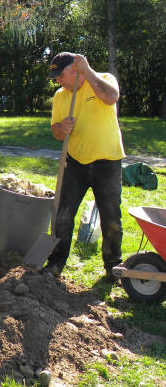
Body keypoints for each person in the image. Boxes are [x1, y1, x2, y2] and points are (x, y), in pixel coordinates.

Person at [44, 52, 125, 281]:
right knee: (63, 215)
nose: (58, 81)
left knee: (111, 218)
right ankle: (56, 263)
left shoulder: (102, 79)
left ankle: (112, 267)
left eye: (60, 75)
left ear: (75, 69)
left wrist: (88, 72)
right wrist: (63, 127)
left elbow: (111, 98)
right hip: (76, 163)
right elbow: (56, 131)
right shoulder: (61, 97)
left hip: (107, 162)